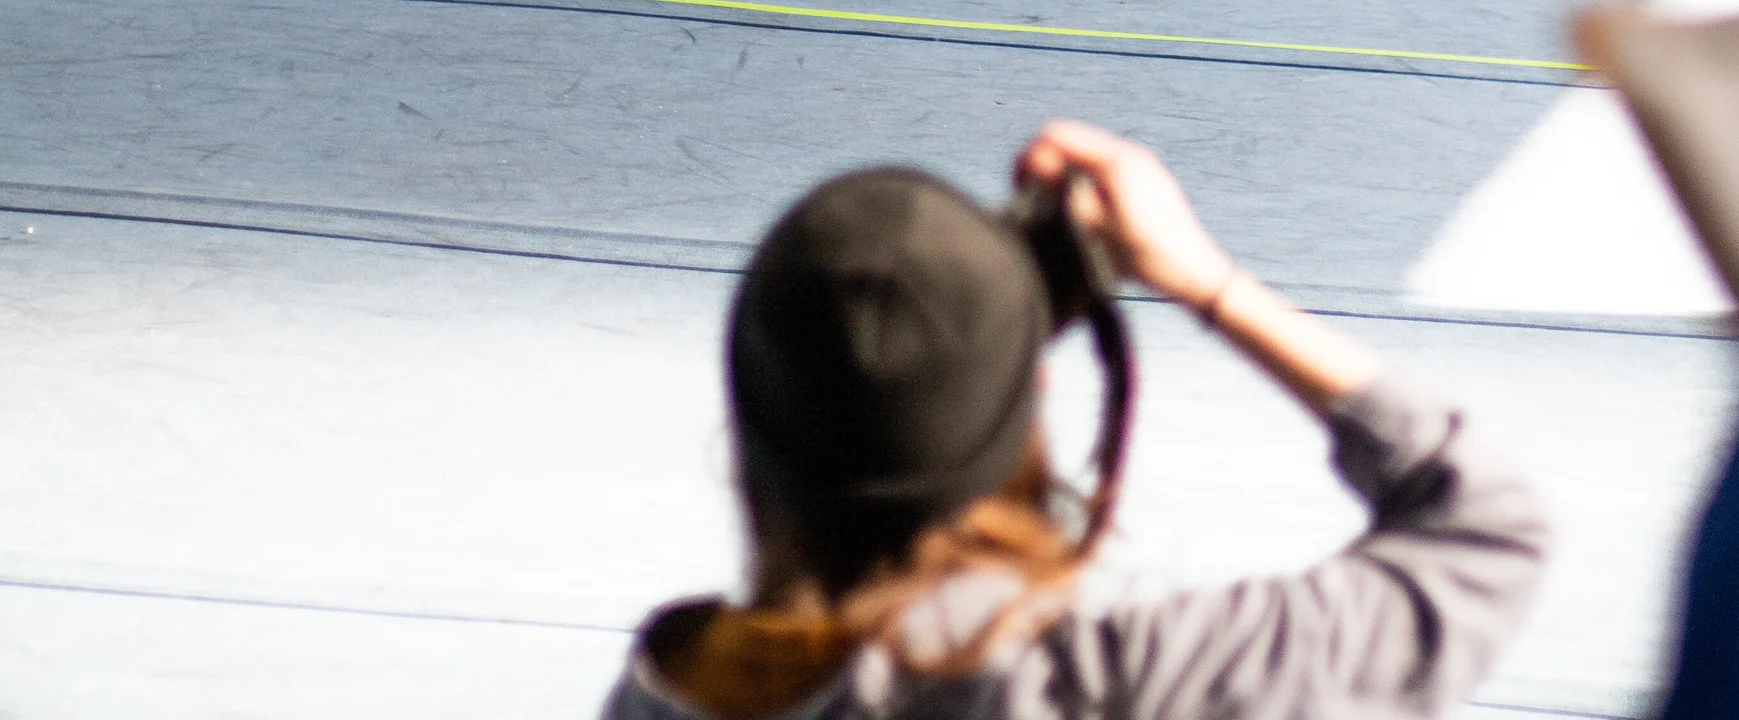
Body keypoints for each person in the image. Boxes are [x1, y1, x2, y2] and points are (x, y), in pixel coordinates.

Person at [601, 119, 1549, 720]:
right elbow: (1485, 529)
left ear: (748, 434)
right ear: (1035, 406)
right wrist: (1205, 283)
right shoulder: (1119, 677)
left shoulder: (671, 685)